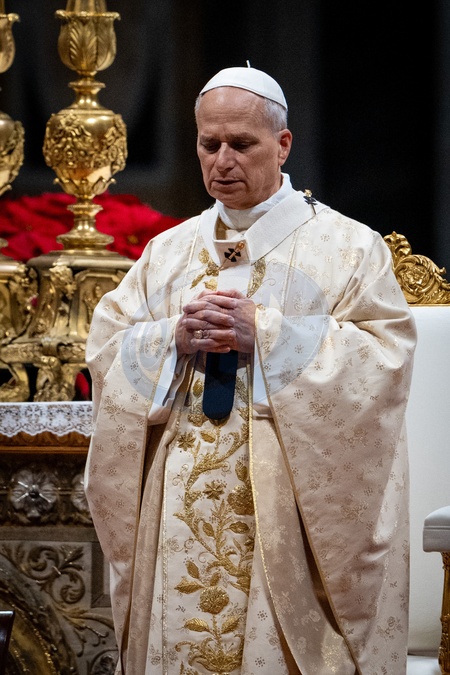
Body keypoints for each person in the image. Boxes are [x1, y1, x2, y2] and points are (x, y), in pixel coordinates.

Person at [84, 65, 417, 675]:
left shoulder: (348, 248)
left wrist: (266, 333)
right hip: (179, 508)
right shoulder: (168, 251)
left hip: (286, 509)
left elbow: (384, 359)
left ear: (283, 145)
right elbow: (108, 346)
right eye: (209, 144)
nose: (223, 161)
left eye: (242, 144)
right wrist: (172, 339)